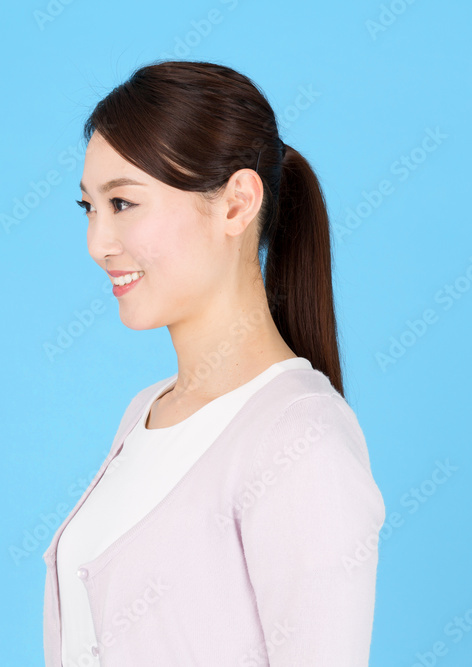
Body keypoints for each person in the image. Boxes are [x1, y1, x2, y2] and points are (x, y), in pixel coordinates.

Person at [41, 60, 386, 666]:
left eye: (123, 202)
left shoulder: (298, 439)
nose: (97, 244)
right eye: (88, 208)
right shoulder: (144, 413)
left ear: (236, 204)